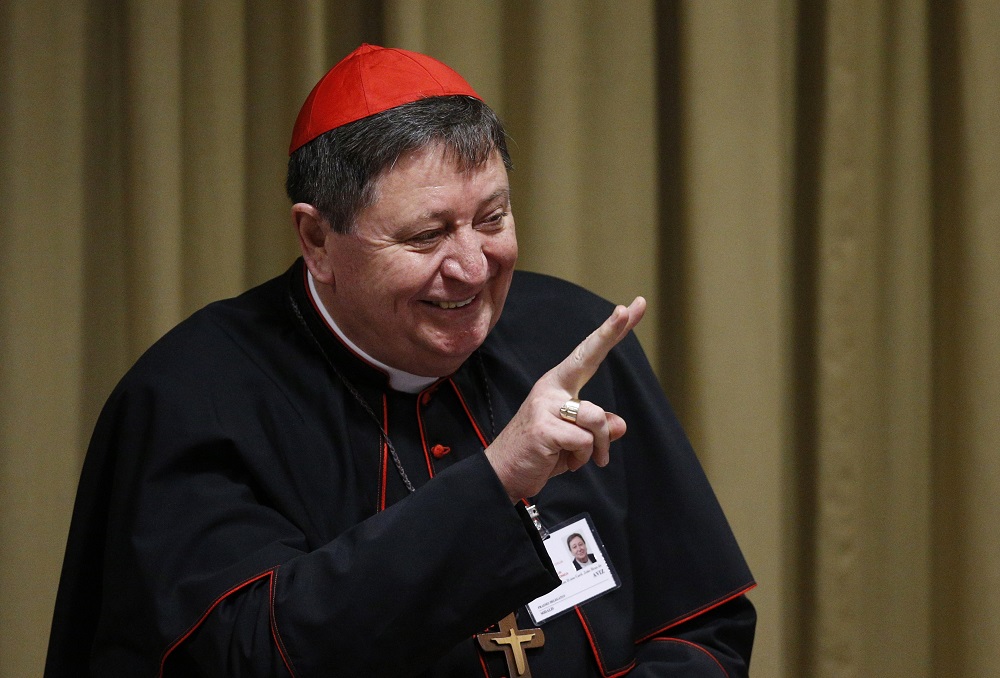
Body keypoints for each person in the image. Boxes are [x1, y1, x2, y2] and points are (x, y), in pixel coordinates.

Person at [45, 44, 756, 677]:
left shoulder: (570, 336)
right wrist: (496, 479)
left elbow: (700, 623)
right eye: (426, 235)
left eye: (492, 218)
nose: (474, 269)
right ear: (317, 239)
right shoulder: (193, 396)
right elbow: (245, 655)